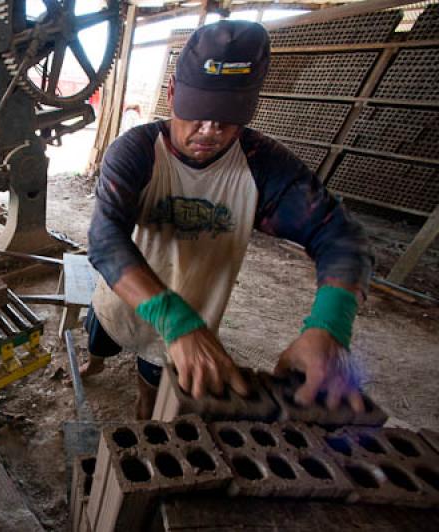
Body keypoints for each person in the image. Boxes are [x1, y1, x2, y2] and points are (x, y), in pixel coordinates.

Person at [83, 21, 373, 420]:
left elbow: (339, 237)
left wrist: (329, 326)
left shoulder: (263, 166)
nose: (209, 131)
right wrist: (173, 317)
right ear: (171, 93)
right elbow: (104, 238)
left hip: (196, 303)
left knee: (153, 378)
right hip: (125, 292)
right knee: (100, 339)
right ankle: (94, 365)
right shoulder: (136, 152)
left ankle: (144, 403)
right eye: (197, 113)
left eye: (227, 118)